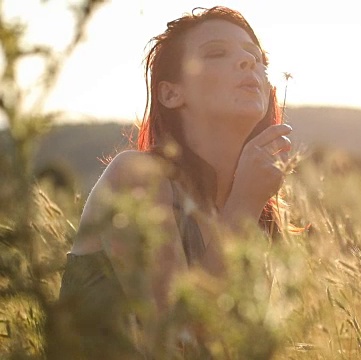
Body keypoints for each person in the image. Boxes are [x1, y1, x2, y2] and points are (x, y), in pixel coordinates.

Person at [55, 6, 293, 358]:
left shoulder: (263, 212)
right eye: (216, 53)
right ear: (170, 94)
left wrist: (249, 202)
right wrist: (244, 203)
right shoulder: (137, 177)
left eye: (257, 59)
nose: (249, 63)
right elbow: (175, 341)